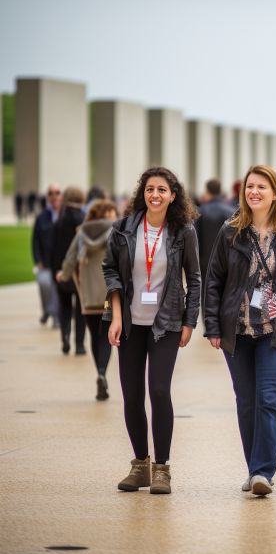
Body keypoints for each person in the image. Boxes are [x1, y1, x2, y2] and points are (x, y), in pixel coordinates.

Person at [203, 165, 276, 497]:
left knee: (268, 400)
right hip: (236, 330)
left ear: (275, 193)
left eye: (261, 187)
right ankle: (254, 468)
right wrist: (211, 325)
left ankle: (263, 472)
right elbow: (214, 281)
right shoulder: (230, 231)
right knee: (246, 402)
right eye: (250, 186)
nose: (254, 192)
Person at [103, 166, 200, 494]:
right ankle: (140, 465)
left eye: (162, 190)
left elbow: (195, 278)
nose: (155, 195)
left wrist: (189, 321)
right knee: (131, 396)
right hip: (130, 323)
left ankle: (162, 469)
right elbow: (111, 271)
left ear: (173, 196)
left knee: (159, 390)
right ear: (142, 193)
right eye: (149, 189)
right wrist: (116, 317)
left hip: (167, 323)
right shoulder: (124, 228)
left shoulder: (184, 231)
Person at [57, 200, 117, 400]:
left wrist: (64, 275)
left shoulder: (81, 233)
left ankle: (99, 374)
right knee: (107, 337)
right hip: (110, 295)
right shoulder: (116, 231)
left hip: (88, 296)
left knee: (94, 336)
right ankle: (102, 371)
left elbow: (70, 258)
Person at [51, 186, 87, 355]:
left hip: (62, 271)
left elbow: (53, 249)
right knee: (81, 310)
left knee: (64, 306)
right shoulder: (85, 220)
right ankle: (79, 344)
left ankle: (65, 337)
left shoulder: (59, 221)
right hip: (81, 273)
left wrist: (55, 271)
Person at [195, 178, 234, 298]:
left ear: (207, 191)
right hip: (228, 259)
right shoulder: (231, 211)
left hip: (205, 260)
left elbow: (196, 238)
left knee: (207, 293)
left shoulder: (201, 211)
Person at [32, 183, 62, 327]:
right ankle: (46, 311)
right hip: (44, 261)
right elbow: (35, 240)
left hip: (60, 262)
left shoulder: (64, 214)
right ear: (47, 196)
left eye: (57, 192)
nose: (54, 196)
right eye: (51, 193)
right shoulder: (41, 217)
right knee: (44, 286)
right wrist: (37, 259)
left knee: (56, 289)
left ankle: (55, 316)